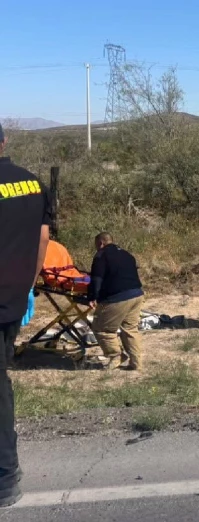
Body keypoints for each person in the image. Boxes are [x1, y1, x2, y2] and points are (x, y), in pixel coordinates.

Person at [0, 121, 51, 506]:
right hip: (13, 299)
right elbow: (44, 238)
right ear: (4, 142)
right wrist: (28, 284)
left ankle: (5, 476)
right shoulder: (32, 183)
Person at [88, 233, 145, 371]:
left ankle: (115, 356)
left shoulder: (101, 255)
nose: (96, 248)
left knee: (101, 328)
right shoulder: (127, 254)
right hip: (137, 295)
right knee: (130, 329)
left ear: (101, 243)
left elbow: (97, 279)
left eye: (97, 245)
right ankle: (136, 362)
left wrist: (92, 296)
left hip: (118, 297)